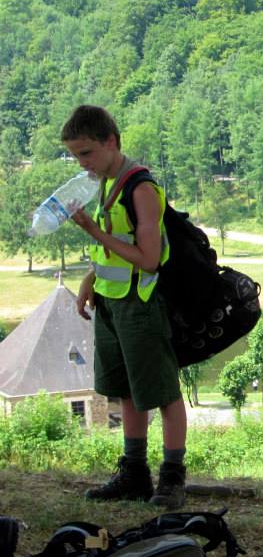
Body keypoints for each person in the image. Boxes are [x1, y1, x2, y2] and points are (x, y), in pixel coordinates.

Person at [61, 105, 188, 509]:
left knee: (163, 393)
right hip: (111, 303)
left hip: (141, 304)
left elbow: (148, 259)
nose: (82, 163)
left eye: (86, 153)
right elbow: (114, 246)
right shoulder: (106, 182)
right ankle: (135, 474)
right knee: (126, 391)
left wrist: (92, 230)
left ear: (111, 142)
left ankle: (172, 478)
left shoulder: (141, 189)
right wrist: (89, 279)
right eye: (75, 155)